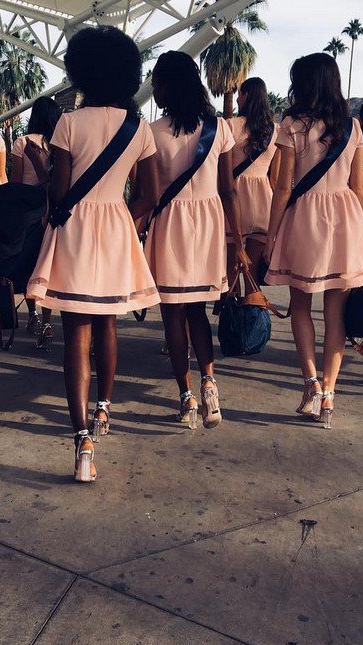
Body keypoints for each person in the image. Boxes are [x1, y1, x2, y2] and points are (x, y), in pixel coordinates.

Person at [27, 26, 161, 483]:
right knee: (108, 324)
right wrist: (126, 222)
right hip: (117, 228)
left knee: (76, 334)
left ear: (81, 70)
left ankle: (82, 439)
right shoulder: (139, 128)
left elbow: (60, 191)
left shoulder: (69, 123)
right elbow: (149, 194)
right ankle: (104, 407)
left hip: (76, 232)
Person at [264, 53, 363, 428]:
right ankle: (329, 393)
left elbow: (283, 187)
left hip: (306, 218)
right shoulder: (353, 127)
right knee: (335, 313)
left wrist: (271, 235)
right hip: (346, 219)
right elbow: (360, 187)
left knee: (300, 304)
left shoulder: (292, 125)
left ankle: (311, 382)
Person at [145, 51, 242, 430]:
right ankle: (209, 383)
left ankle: (186, 397)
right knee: (198, 310)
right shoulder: (219, 129)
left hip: (169, 226)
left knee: (173, 313)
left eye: (156, 82)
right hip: (208, 227)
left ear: (168, 86)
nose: (153, 89)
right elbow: (229, 190)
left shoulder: (153, 133)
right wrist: (237, 242)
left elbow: (148, 193)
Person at [11, 95, 61, 349]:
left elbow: (17, 182)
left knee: (30, 264)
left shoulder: (22, 142)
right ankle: (48, 321)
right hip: (51, 209)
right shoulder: (59, 142)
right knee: (46, 266)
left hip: (28, 210)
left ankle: (32, 314)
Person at [227, 77, 280, 285]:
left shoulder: (230, 126)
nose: (237, 99)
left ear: (246, 95)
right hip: (263, 203)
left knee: (231, 271)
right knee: (253, 275)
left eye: (239, 95)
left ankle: (229, 304)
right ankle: (252, 303)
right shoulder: (275, 131)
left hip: (234, 202)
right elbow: (274, 178)